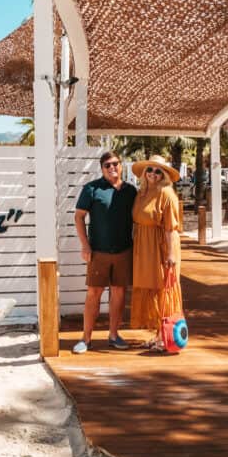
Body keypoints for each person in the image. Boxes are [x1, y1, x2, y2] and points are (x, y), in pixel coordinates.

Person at [73, 151, 137, 354]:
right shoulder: (92, 189)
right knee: (94, 293)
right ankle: (86, 338)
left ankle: (114, 335)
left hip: (124, 250)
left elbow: (141, 218)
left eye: (115, 164)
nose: (112, 168)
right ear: (102, 169)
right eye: (107, 165)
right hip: (98, 252)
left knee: (118, 292)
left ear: (121, 165)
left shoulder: (131, 191)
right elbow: (79, 217)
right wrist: (85, 245)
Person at [130, 154, 182, 352]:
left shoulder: (166, 193)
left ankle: (164, 337)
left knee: (162, 288)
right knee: (150, 288)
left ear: (164, 175)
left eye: (158, 171)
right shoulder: (141, 192)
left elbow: (170, 228)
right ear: (144, 173)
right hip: (144, 245)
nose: (153, 173)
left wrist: (170, 255)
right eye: (150, 170)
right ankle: (157, 334)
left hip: (161, 245)